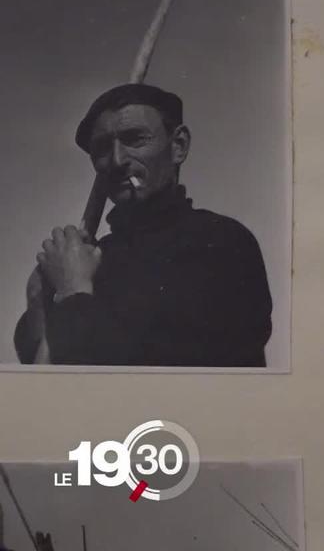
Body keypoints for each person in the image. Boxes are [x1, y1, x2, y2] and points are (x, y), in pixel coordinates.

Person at [13, 83, 273, 366]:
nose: (117, 160)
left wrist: (73, 291)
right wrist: (39, 305)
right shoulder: (91, 258)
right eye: (101, 148)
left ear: (178, 146)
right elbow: (47, 382)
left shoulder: (222, 241)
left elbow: (143, 370)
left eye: (135, 139)